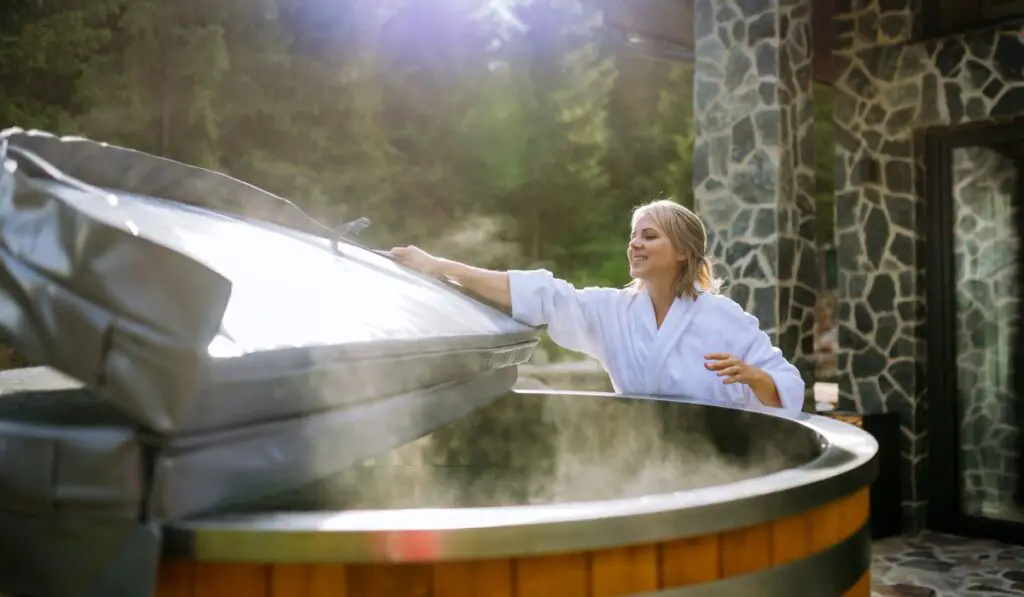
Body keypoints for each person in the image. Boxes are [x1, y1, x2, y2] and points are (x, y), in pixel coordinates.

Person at [390, 199, 805, 412]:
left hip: (720, 461)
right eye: (634, 235)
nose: (635, 244)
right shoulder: (614, 311)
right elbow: (544, 296)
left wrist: (754, 377)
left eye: (649, 236)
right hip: (647, 457)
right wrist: (438, 266)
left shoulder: (723, 318)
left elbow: (789, 388)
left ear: (682, 251)